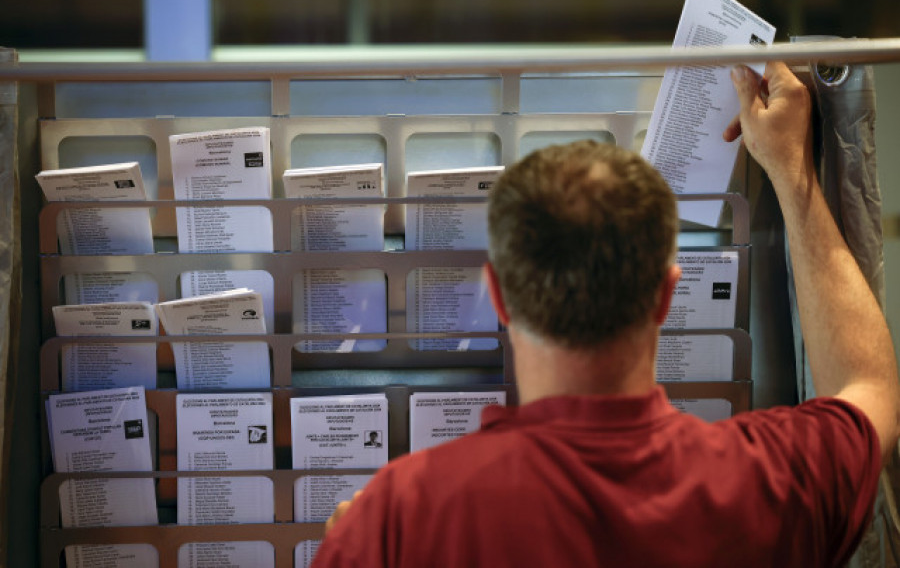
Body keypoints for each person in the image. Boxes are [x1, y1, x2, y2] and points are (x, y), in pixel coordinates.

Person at [311, 62, 900, 567]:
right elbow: (869, 387)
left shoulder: (398, 521)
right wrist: (791, 172)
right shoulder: (768, 482)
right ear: (666, 296)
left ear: (498, 296)